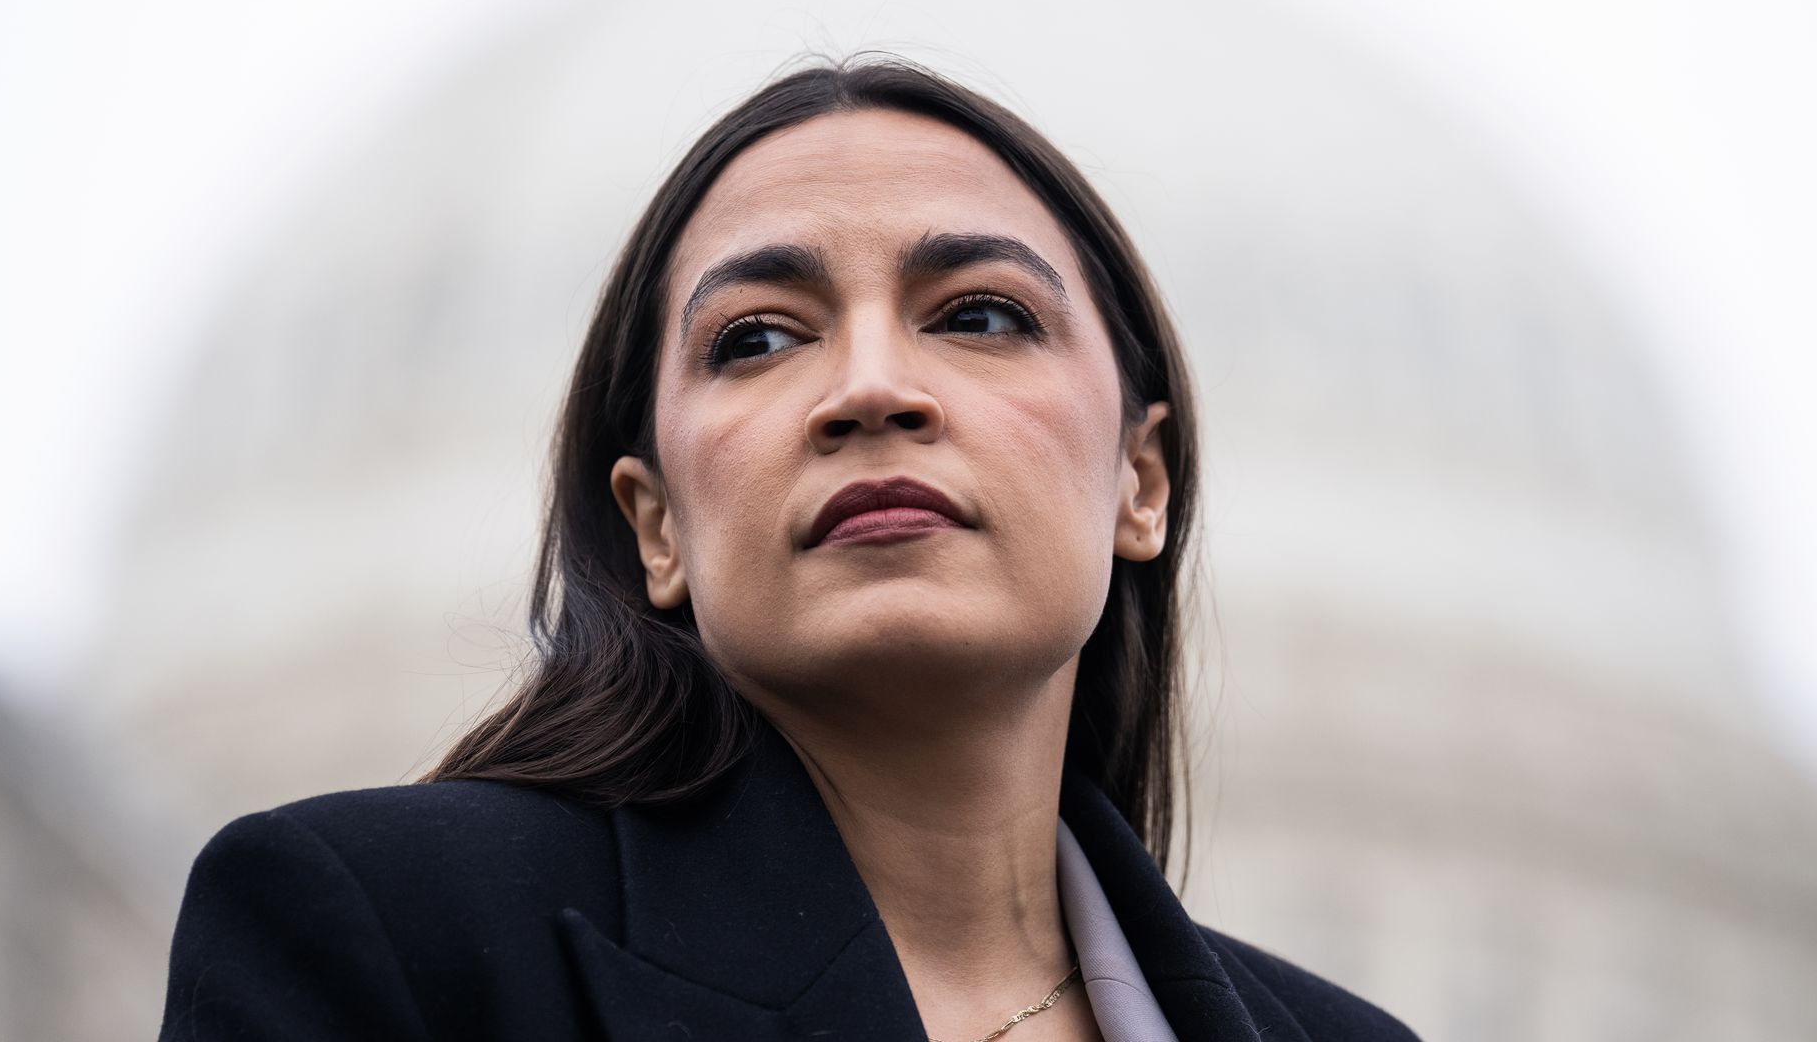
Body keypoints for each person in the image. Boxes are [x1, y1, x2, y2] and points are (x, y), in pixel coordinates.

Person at [158, 55, 1423, 1042]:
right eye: (759, 338)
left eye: (979, 315)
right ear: (656, 525)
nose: (872, 389)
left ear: (1139, 482)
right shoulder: (389, 932)